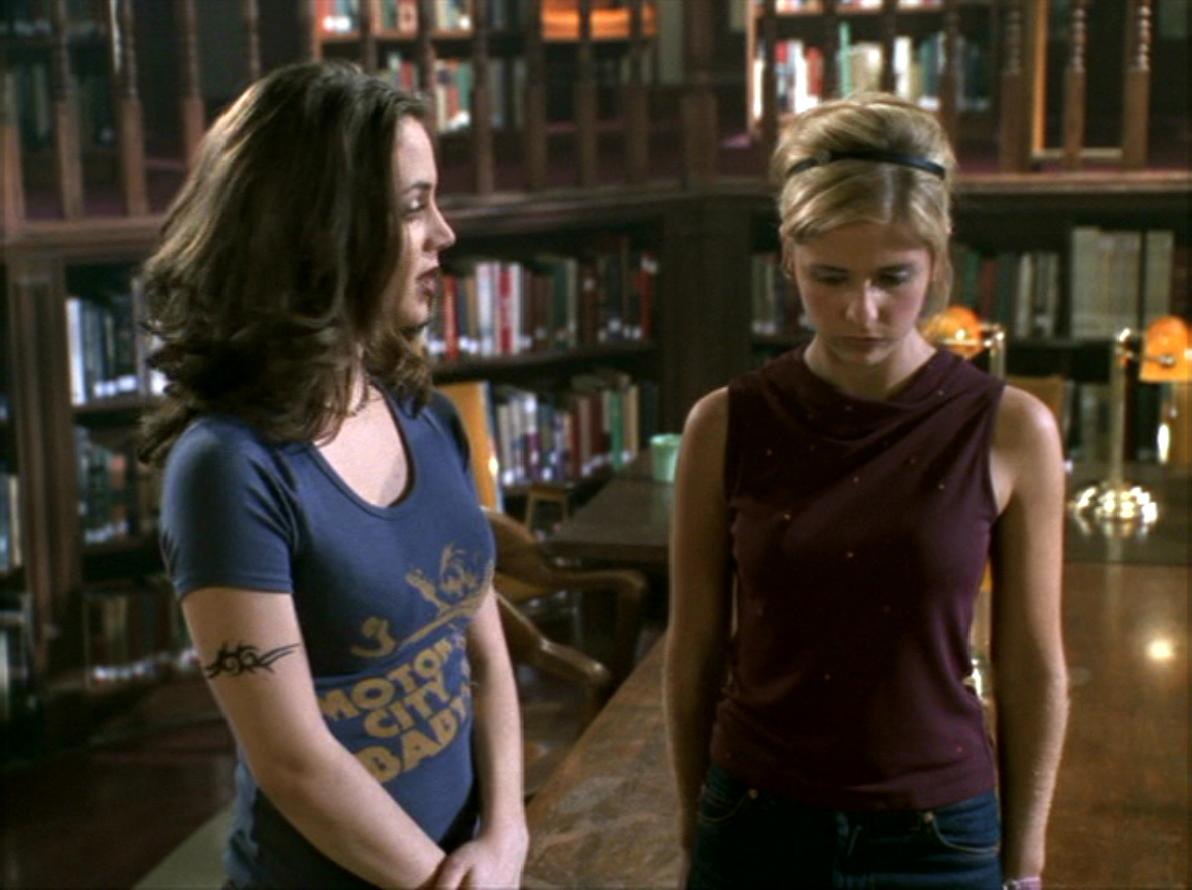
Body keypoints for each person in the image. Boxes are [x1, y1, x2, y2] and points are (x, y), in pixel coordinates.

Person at [664, 93, 1068, 890]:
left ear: (938, 264)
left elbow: (1032, 665)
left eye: (893, 278)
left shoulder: (1013, 429)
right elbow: (693, 648)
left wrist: (1026, 863)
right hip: (755, 817)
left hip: (939, 831)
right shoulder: (724, 424)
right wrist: (691, 827)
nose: (862, 310)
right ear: (787, 259)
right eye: (830, 277)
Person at [139, 61, 528, 889]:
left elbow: (486, 657)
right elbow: (293, 760)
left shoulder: (428, 414)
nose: (445, 233)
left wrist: (506, 836)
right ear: (322, 231)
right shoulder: (226, 469)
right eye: (414, 207)